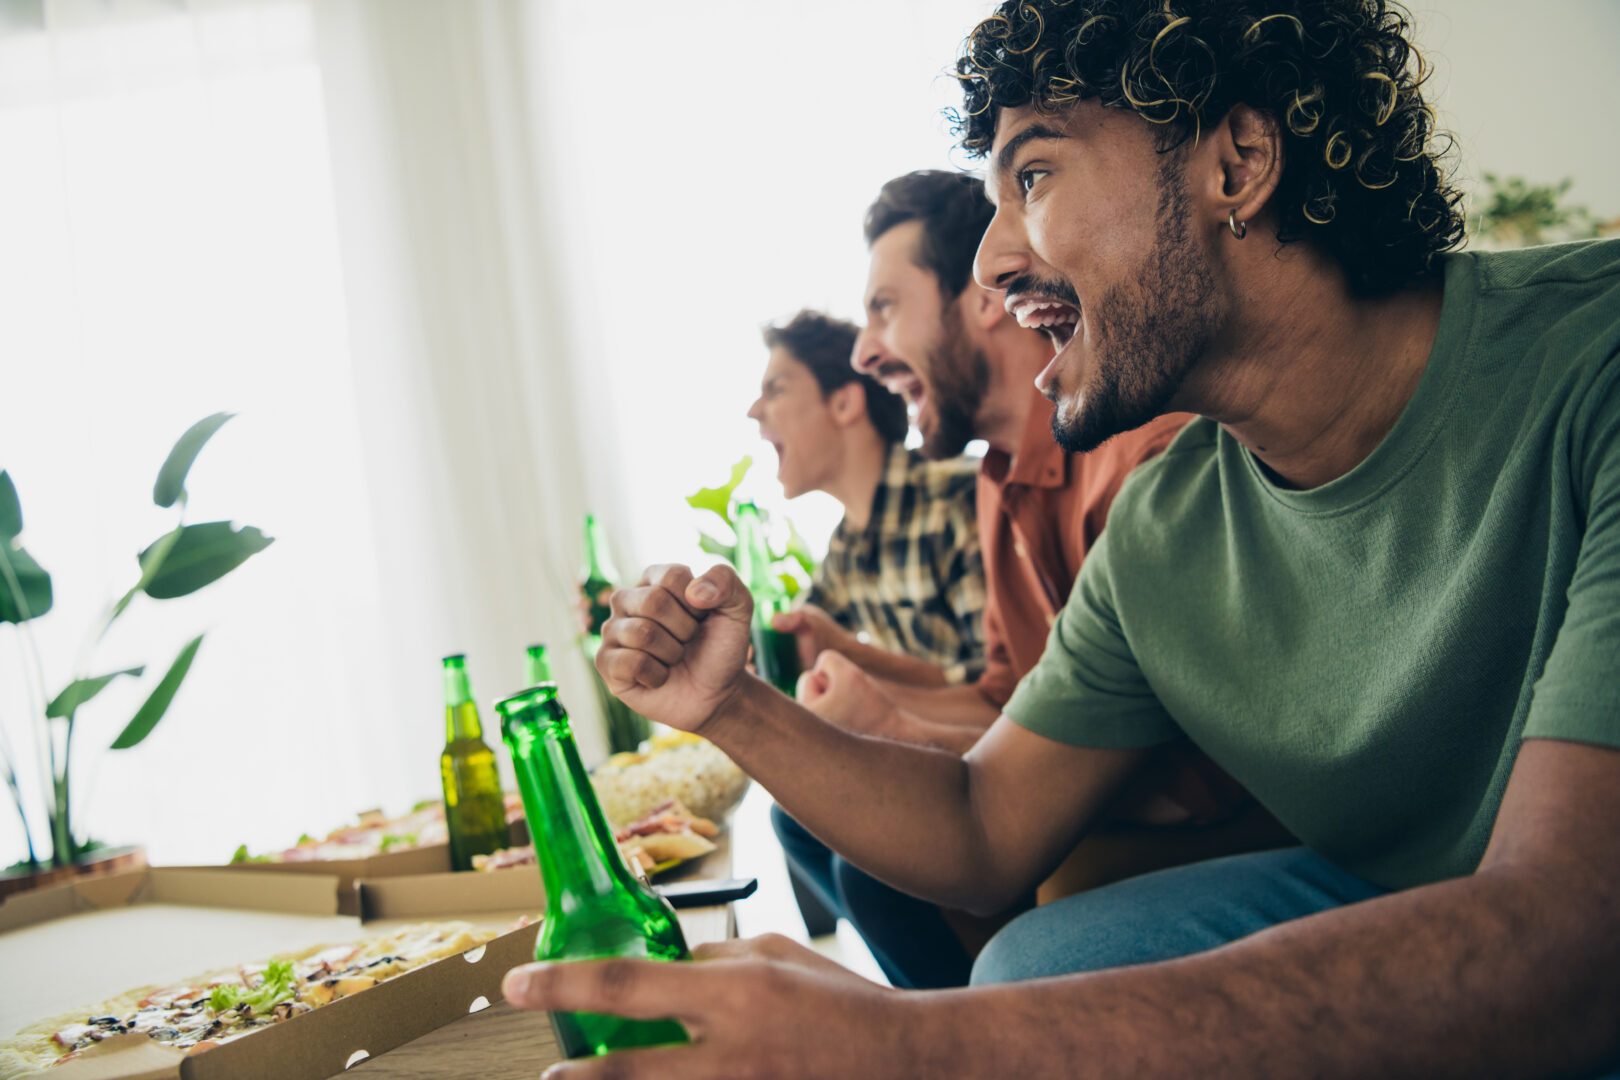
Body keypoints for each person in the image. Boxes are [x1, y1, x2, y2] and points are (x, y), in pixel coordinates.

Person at [507, 1, 1620, 1076]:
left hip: (1568, 924)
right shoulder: (1172, 521)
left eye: (1033, 175)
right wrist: (728, 701)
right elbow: (986, 823)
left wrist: (909, 1049)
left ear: (1236, 162)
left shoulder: (1592, 369)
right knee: (1036, 957)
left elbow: (1574, 942)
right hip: (1405, 888)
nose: (993, 264)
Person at [771, 170, 1265, 991]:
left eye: (885, 307)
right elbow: (1007, 696)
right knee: (836, 842)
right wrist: (877, 695)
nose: (863, 353)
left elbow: (1182, 775)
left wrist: (897, 727)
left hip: (1215, 822)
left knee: (885, 872)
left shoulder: (1140, 462)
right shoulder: (1000, 479)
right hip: (1108, 804)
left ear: (985, 298)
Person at [747, 308, 987, 689]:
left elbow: (1006, 691)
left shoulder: (960, 497)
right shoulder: (847, 547)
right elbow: (793, 634)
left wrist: (849, 652)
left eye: (775, 390)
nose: (753, 411)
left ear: (844, 404)